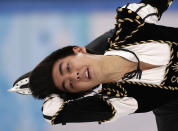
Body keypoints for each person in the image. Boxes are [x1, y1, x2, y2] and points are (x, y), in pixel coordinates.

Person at [9, 0, 178, 131]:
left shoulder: (130, 25)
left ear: (78, 50)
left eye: (67, 68)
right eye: (69, 84)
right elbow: (52, 113)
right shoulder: (119, 99)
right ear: (85, 92)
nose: (74, 76)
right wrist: (55, 92)